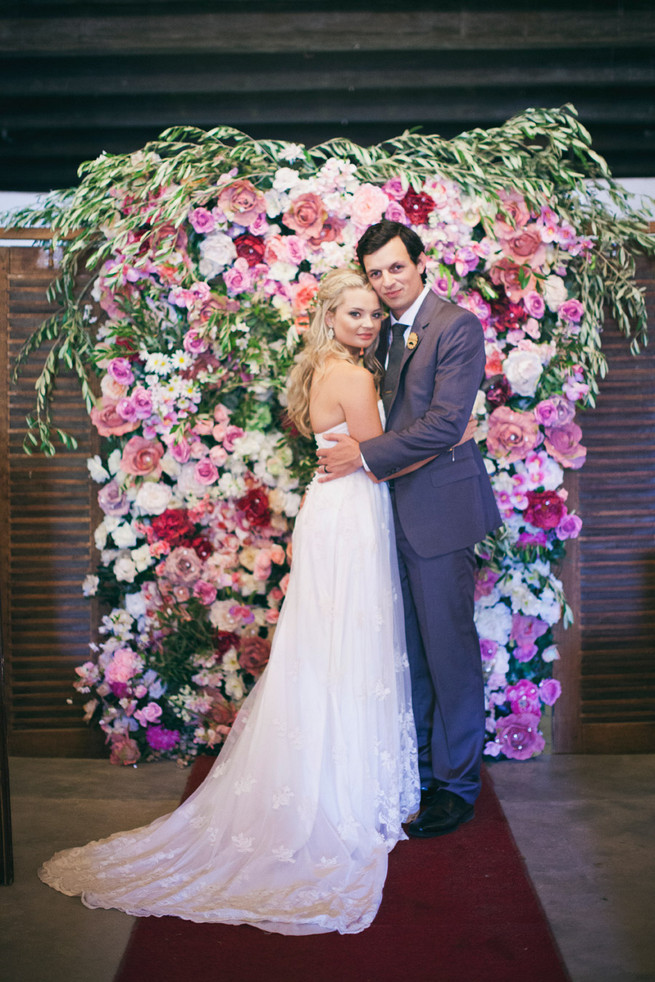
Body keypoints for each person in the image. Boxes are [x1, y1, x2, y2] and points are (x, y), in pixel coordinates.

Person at [38, 268, 421, 936]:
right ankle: (345, 789)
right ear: (329, 316)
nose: (367, 324)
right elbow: (379, 455)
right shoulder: (355, 377)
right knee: (349, 641)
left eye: (372, 315)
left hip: (328, 510)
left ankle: (330, 773)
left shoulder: (316, 368)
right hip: (353, 511)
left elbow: (348, 451)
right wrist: (451, 437)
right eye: (354, 313)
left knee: (324, 644)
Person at [317, 221, 502, 838]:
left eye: (397, 267)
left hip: (437, 512)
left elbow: (449, 422)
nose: (387, 282)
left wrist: (364, 457)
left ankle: (456, 787)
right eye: (376, 273)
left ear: (420, 263)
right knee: (405, 653)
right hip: (379, 513)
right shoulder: (376, 331)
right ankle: (416, 773)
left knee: (447, 651)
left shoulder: (456, 326)